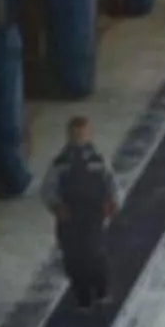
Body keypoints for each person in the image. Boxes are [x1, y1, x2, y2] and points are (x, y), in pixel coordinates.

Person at [40, 118, 120, 312]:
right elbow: (48, 188)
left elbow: (111, 182)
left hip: (93, 213)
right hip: (70, 215)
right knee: (73, 257)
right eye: (74, 135)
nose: (78, 139)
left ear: (90, 135)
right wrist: (56, 206)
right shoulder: (60, 164)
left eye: (82, 134)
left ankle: (102, 290)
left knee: (95, 252)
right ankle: (82, 296)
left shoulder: (98, 160)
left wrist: (114, 200)